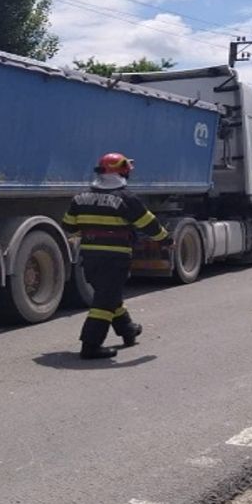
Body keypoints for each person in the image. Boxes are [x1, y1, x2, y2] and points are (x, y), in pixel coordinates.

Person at [62, 152, 171, 359]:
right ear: (123, 172)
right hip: (115, 258)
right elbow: (149, 225)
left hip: (90, 258)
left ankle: (127, 329)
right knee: (104, 301)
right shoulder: (127, 198)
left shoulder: (80, 198)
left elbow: (68, 225)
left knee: (107, 294)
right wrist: (166, 240)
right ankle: (90, 345)